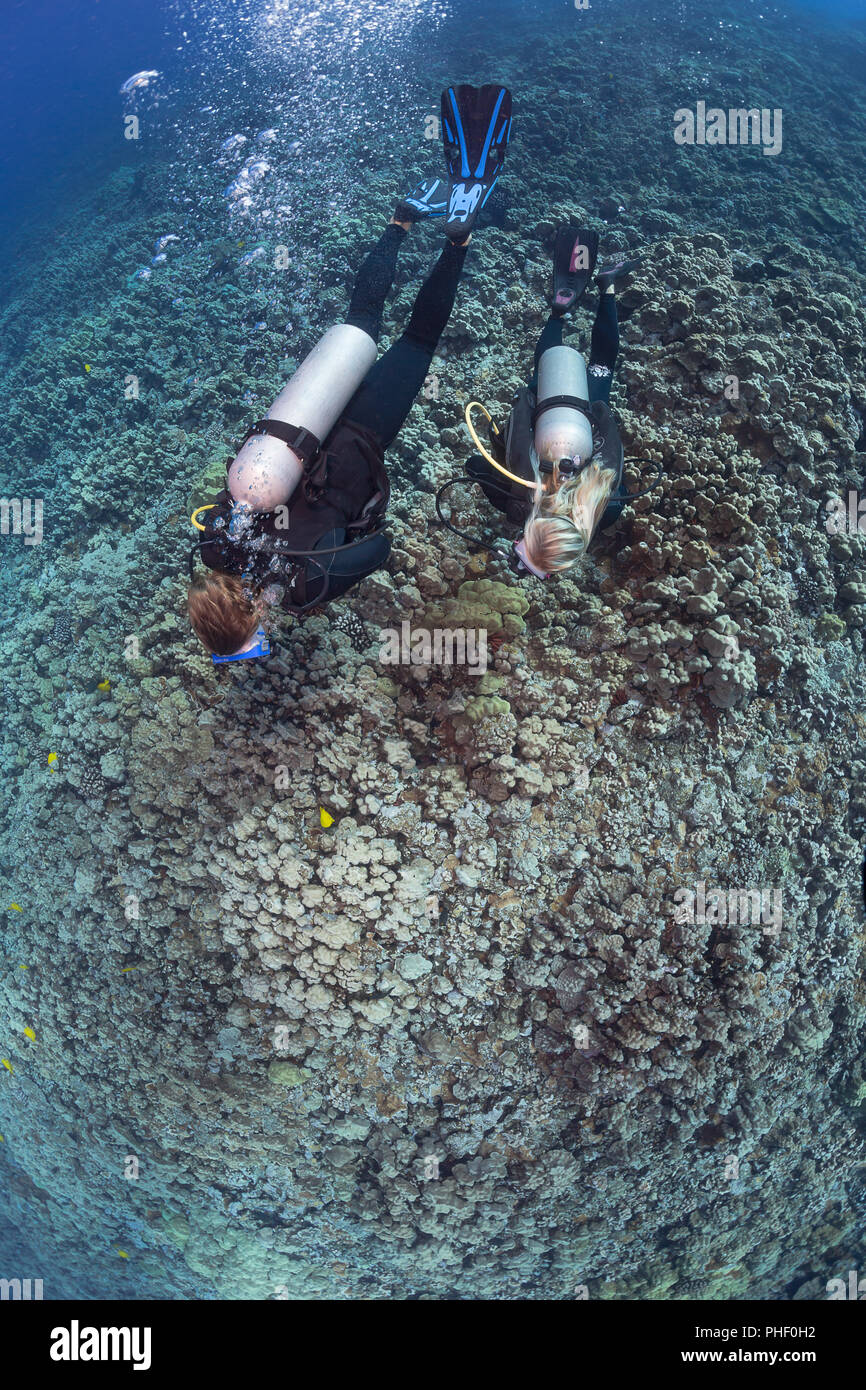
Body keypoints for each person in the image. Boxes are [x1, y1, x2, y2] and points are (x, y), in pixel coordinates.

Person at [187, 84, 513, 662]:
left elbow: (381, 549)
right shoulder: (218, 546)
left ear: (254, 621)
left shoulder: (307, 584)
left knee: (419, 336)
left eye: (251, 643)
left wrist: (311, 587)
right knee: (361, 316)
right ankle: (401, 222)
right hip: (314, 407)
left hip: (365, 432)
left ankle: (458, 239)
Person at [462, 224, 644, 579]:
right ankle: (559, 311)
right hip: (544, 406)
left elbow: (619, 474)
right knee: (548, 363)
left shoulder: (605, 509)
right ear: (524, 535)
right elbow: (474, 465)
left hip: (588, 413)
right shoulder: (516, 500)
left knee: (602, 365)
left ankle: (605, 289)